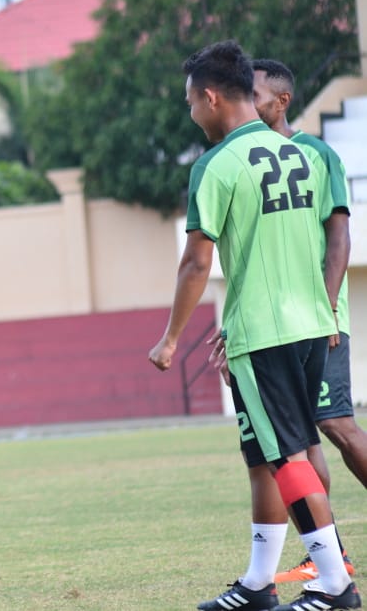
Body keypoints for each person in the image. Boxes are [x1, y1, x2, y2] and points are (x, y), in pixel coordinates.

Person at [149, 40, 358, 611]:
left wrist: (171, 338)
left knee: (288, 456)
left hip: (263, 335)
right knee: (266, 453)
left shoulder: (215, 166)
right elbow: (322, 235)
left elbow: (197, 261)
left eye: (192, 103)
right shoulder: (305, 155)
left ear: (212, 98)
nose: (192, 114)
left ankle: (336, 585)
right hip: (313, 324)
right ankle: (259, 584)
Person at [234, 58, 359, 586]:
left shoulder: (315, 153)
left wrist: (327, 308)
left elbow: (338, 237)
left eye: (255, 94)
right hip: (282, 324)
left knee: (336, 426)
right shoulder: (246, 159)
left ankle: (328, 564)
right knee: (300, 440)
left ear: (281, 101)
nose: (247, 102)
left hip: (318, 318)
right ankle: (328, 555)